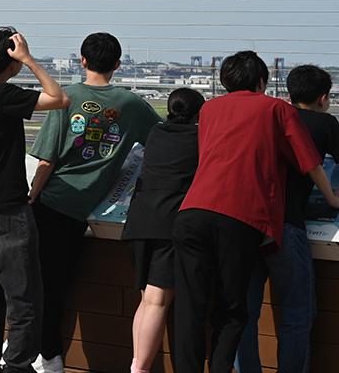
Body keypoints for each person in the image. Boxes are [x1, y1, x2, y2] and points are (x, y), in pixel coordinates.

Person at [173, 51, 339, 373]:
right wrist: (331, 199)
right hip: (242, 217)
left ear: (225, 80)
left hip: (191, 213)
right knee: (234, 310)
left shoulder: (209, 109)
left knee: (190, 310)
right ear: (262, 80)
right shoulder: (275, 108)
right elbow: (309, 161)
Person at [27, 32, 163, 373]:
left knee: (43, 286)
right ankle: (38, 350)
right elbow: (162, 139)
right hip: (83, 210)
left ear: (82, 61)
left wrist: (31, 197)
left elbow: (46, 161)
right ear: (118, 64)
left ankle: (48, 356)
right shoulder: (132, 105)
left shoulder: (65, 97)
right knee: (56, 282)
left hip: (53, 202)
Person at [0, 27, 70, 373]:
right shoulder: (2, 96)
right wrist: (28, 59)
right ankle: (18, 366)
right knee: (25, 300)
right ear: (11, 60)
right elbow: (59, 98)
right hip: (5, 212)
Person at [235, 64, 339, 373]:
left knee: (245, 313)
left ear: (289, 95)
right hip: (286, 224)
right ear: (323, 98)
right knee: (298, 313)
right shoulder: (325, 124)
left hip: (243, 223)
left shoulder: (266, 116)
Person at [121, 87, 205, 373]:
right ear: (198, 114)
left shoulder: (156, 133)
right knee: (157, 301)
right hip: (169, 224)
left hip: (139, 221)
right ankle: (140, 369)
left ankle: (137, 364)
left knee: (146, 299)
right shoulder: (199, 138)